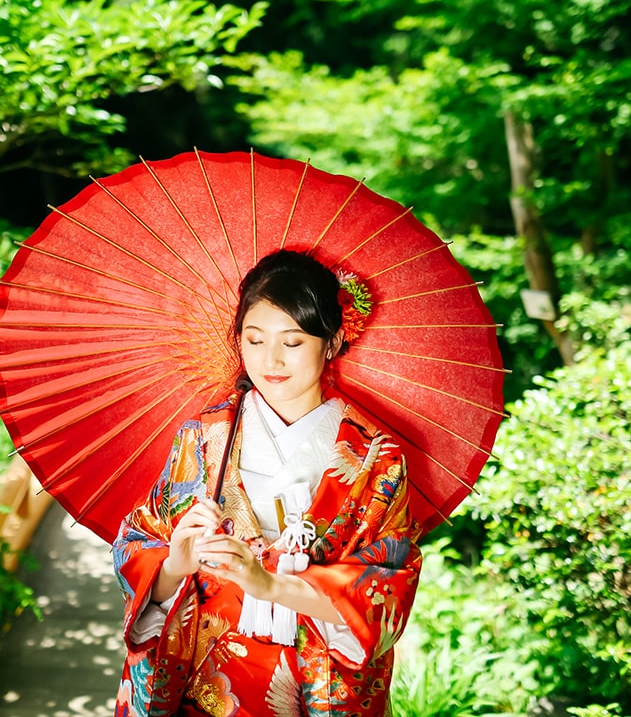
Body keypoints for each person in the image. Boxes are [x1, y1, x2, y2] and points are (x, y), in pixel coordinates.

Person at [111, 249, 423, 716]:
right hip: (207, 683)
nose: (270, 360)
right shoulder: (204, 439)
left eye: (292, 343)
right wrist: (174, 565)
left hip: (313, 686)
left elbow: (388, 588)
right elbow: (137, 541)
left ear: (332, 342)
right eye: (253, 340)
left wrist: (269, 585)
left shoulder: (377, 458)